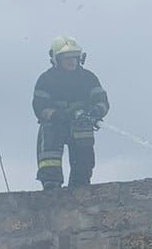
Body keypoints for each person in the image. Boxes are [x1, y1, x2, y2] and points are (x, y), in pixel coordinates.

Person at [33, 36, 110, 190]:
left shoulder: (88, 78)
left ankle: (79, 188)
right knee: (50, 151)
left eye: (74, 57)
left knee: (83, 162)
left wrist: (94, 112)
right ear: (56, 59)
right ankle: (51, 185)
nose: (71, 61)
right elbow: (40, 107)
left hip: (82, 125)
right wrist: (57, 115)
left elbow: (102, 102)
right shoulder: (47, 79)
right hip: (56, 125)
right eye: (66, 58)